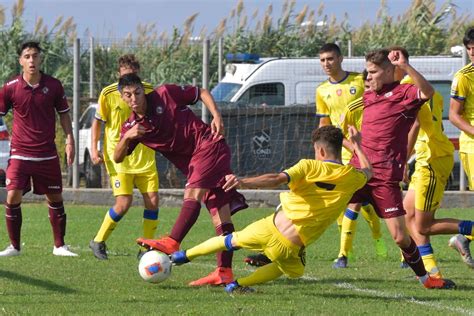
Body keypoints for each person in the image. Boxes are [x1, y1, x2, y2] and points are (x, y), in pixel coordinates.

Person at [170, 125, 372, 293]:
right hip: (289, 246)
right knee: (292, 270)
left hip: (269, 226)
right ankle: (238, 285)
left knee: (229, 240)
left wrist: (243, 181)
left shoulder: (309, 166)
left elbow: (276, 179)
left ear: (320, 151)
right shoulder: (352, 177)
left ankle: (184, 255)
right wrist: (357, 146)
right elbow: (369, 171)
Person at [114, 73, 248, 286]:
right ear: (122, 98)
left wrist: (216, 116)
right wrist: (128, 137)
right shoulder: (131, 126)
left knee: (192, 194)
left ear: (143, 90)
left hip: (209, 145)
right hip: (197, 162)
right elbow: (117, 157)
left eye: (137, 93)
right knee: (221, 217)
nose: (134, 99)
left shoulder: (166, 94)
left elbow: (201, 92)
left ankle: (172, 241)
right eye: (128, 95)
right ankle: (224, 272)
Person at [347, 48, 454, 289]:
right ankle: (273, 250)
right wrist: (354, 143)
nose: (368, 76)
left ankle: (427, 280)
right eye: (367, 71)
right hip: (358, 171)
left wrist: (405, 66)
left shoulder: (404, 92)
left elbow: (427, 92)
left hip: (385, 178)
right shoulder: (368, 96)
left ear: (387, 71)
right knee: (322, 208)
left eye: (373, 72)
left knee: (400, 236)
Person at [0, 41, 77, 257]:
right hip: (20, 153)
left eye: (35, 56)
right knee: (13, 195)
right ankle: (14, 247)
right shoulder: (10, 87)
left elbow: (63, 114)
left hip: (46, 153)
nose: (31, 60)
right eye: (27, 56)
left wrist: (70, 140)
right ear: (20, 61)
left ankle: (59, 246)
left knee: (55, 198)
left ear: (41, 59)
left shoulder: (53, 85)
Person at [316, 43, 387, 268]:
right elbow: (324, 123)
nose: (326, 64)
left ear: (340, 58)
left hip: (364, 149)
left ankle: (378, 240)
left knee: (366, 204)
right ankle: (344, 254)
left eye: (330, 59)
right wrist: (322, 154)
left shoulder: (359, 80)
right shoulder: (321, 90)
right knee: (346, 203)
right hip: (340, 152)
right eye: (323, 60)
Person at [89, 55, 159, 260]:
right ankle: (98, 241)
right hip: (118, 157)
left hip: (145, 157)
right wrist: (94, 149)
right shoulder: (109, 93)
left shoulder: (149, 91)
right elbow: (98, 122)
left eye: (132, 76)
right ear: (119, 74)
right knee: (123, 203)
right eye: (125, 75)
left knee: (153, 202)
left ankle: (146, 249)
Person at [448, 26, 474, 267]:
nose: (473, 52)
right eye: (470, 49)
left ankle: (463, 237)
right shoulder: (464, 77)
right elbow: (454, 116)